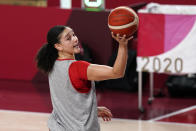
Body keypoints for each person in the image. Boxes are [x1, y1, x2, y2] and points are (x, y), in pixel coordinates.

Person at [35, 25, 133, 131]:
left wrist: (92, 110)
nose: (75, 39)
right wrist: (123, 45)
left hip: (56, 127)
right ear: (58, 46)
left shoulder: (52, 64)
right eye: (69, 38)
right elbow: (117, 72)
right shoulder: (78, 68)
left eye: (74, 34)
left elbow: (67, 100)